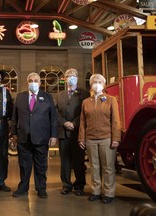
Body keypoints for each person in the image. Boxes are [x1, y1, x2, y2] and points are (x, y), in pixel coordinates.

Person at [11, 72, 58, 199]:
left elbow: (53, 118)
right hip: (23, 137)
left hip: (42, 137)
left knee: (41, 166)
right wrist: (14, 133)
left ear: (40, 83)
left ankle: (41, 188)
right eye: (30, 80)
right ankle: (23, 188)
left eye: (35, 80)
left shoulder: (47, 97)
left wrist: (53, 135)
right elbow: (14, 117)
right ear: (27, 82)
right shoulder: (20, 97)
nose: (33, 82)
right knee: (24, 165)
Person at [78, 74, 121, 204]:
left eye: (99, 82)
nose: (96, 84)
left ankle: (109, 193)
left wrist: (116, 138)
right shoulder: (86, 102)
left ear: (104, 84)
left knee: (108, 167)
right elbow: (82, 122)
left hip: (107, 138)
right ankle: (95, 191)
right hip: (90, 139)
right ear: (91, 85)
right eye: (94, 82)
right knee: (94, 167)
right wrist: (81, 138)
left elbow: (116, 121)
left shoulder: (110, 99)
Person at [56, 68, 90, 196]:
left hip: (77, 132)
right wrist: (64, 122)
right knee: (64, 161)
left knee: (78, 161)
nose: (70, 77)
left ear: (77, 77)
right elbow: (55, 112)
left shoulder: (84, 94)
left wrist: (74, 124)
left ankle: (79, 185)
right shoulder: (60, 95)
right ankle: (66, 185)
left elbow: (84, 112)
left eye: (73, 75)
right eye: (68, 75)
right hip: (63, 132)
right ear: (64, 78)